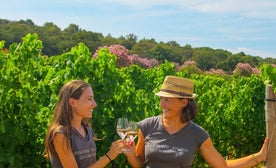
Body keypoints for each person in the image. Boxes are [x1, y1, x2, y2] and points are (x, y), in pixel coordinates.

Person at [124, 75, 269, 168]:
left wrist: (258, 157)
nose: (162, 104)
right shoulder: (147, 125)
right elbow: (139, 162)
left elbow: (222, 166)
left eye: (167, 100)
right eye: (161, 99)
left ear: (184, 102)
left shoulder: (197, 134)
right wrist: (131, 155)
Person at [44, 80, 125, 168]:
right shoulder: (61, 134)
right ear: (72, 102)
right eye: (89, 99)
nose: (95, 104)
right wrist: (109, 156)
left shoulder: (87, 128)